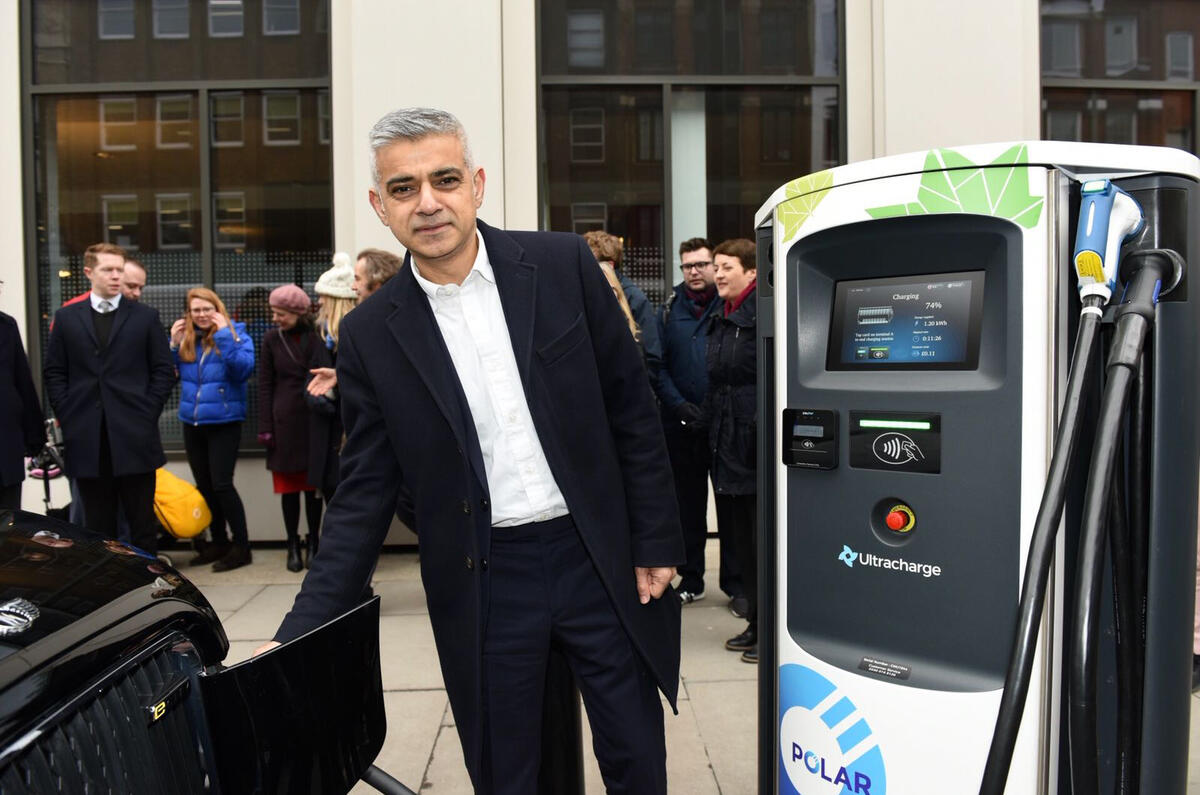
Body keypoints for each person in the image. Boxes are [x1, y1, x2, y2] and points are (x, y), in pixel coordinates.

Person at [256, 108, 683, 794]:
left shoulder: (561, 263)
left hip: (597, 559)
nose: (427, 202)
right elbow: (364, 491)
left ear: (476, 185)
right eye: (403, 188)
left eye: (444, 179)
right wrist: (297, 631)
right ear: (380, 205)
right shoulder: (370, 333)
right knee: (507, 772)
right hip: (487, 578)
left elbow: (632, 410)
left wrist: (656, 539)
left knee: (636, 756)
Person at [43, 243, 175, 554]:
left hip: (134, 436)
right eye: (108, 270)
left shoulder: (144, 317)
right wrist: (69, 414)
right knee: (97, 529)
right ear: (89, 272)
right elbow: (55, 372)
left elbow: (162, 371)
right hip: (87, 438)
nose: (116, 276)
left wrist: (146, 413)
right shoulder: (66, 318)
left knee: (142, 524)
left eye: (119, 269)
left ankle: (150, 588)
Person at [654, 237, 747, 612]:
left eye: (702, 264)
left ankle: (737, 586)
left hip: (722, 426)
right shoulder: (668, 310)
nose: (694, 271)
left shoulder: (730, 309)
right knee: (686, 508)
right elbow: (657, 367)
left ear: (714, 266)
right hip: (681, 427)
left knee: (731, 508)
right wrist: (679, 406)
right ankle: (691, 578)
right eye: (687, 265)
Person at [171, 287, 256, 572]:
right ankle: (218, 542)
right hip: (192, 423)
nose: (202, 315)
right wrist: (173, 345)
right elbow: (168, 373)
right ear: (189, 313)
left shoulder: (235, 334)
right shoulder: (187, 339)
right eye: (196, 310)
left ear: (217, 309)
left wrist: (223, 337)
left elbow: (243, 369)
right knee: (205, 486)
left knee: (222, 484)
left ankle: (241, 547)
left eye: (207, 309)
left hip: (224, 422)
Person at [704, 237, 759, 663]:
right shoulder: (725, 315)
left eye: (726, 267)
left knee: (759, 540)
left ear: (752, 272)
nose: (718, 274)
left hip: (751, 444)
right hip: (728, 441)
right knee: (740, 538)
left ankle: (766, 629)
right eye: (716, 267)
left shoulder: (760, 316)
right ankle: (756, 623)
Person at [258, 283, 323, 572]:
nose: (275, 319)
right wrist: (265, 426)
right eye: (274, 312)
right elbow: (264, 384)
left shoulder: (316, 337)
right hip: (283, 422)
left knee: (312, 489)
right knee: (288, 490)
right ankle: (292, 543)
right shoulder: (271, 339)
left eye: (281, 313)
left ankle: (315, 542)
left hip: (312, 420)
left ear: (298, 312)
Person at [305, 253, 358, 564]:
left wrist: (337, 386)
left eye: (323, 298)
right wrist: (314, 396)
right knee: (332, 498)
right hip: (326, 433)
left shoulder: (355, 332)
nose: (319, 304)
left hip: (349, 435)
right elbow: (310, 376)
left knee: (347, 509)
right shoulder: (319, 335)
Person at [583, 230, 662, 379]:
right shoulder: (590, 295)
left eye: (590, 264)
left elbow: (652, 358)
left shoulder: (635, 299)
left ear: (609, 265)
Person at [0, 309, 44, 510]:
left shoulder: (6, 325)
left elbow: (22, 380)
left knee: (8, 523)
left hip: (5, 446)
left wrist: (35, 435)